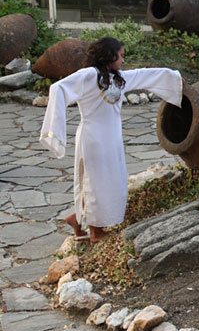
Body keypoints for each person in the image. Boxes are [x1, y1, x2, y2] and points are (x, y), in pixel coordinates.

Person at [40, 37, 183, 243]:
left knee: (110, 181)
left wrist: (176, 80)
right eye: (121, 55)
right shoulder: (89, 75)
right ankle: (96, 233)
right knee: (95, 182)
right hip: (93, 139)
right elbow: (58, 88)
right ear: (108, 55)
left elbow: (146, 75)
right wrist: (54, 130)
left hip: (111, 138)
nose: (124, 60)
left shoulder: (117, 78)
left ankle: (76, 219)